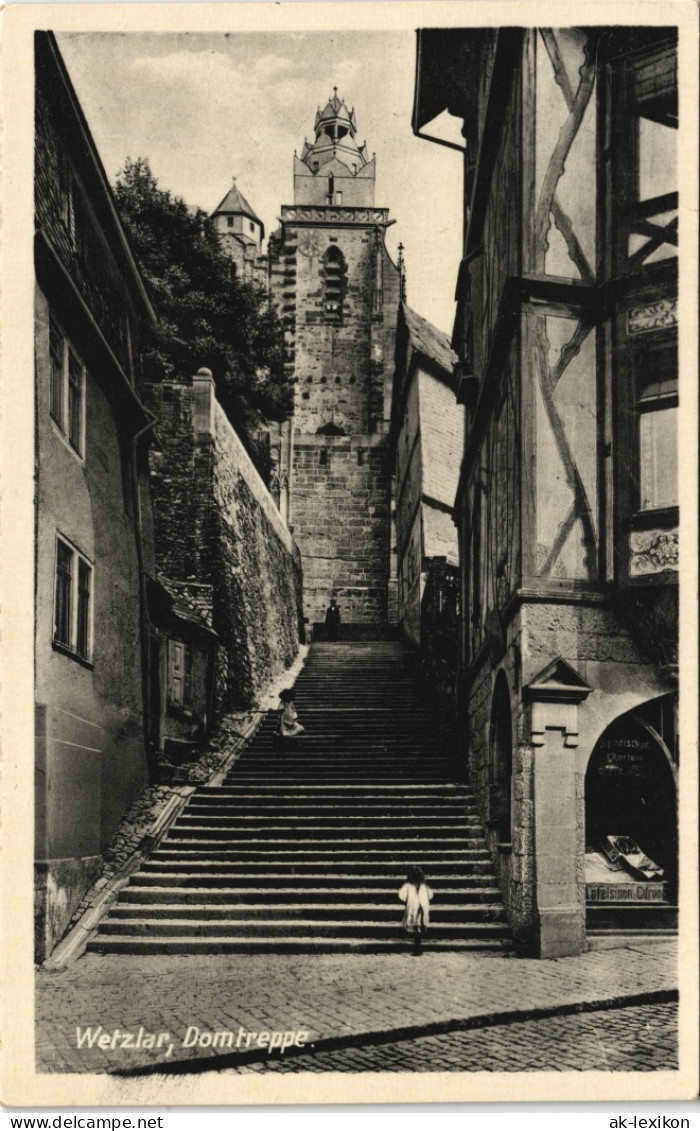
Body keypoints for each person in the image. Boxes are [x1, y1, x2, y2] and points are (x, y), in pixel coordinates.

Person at [398, 866, 433, 954]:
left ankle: (417, 947)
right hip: (421, 908)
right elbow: (430, 895)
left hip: (414, 908)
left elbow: (401, 896)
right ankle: (418, 946)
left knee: (416, 927)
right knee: (419, 927)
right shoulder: (424, 886)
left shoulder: (408, 886)